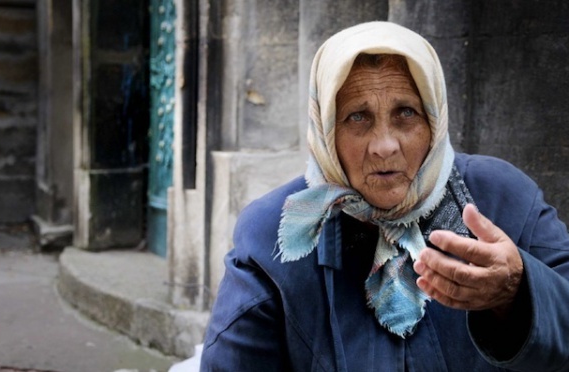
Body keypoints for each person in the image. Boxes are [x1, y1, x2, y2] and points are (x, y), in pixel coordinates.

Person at [200, 21, 569, 371]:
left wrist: (517, 293)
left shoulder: (501, 197)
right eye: (358, 117)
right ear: (326, 131)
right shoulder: (271, 238)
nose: (385, 146)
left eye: (405, 113)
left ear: (433, 120)